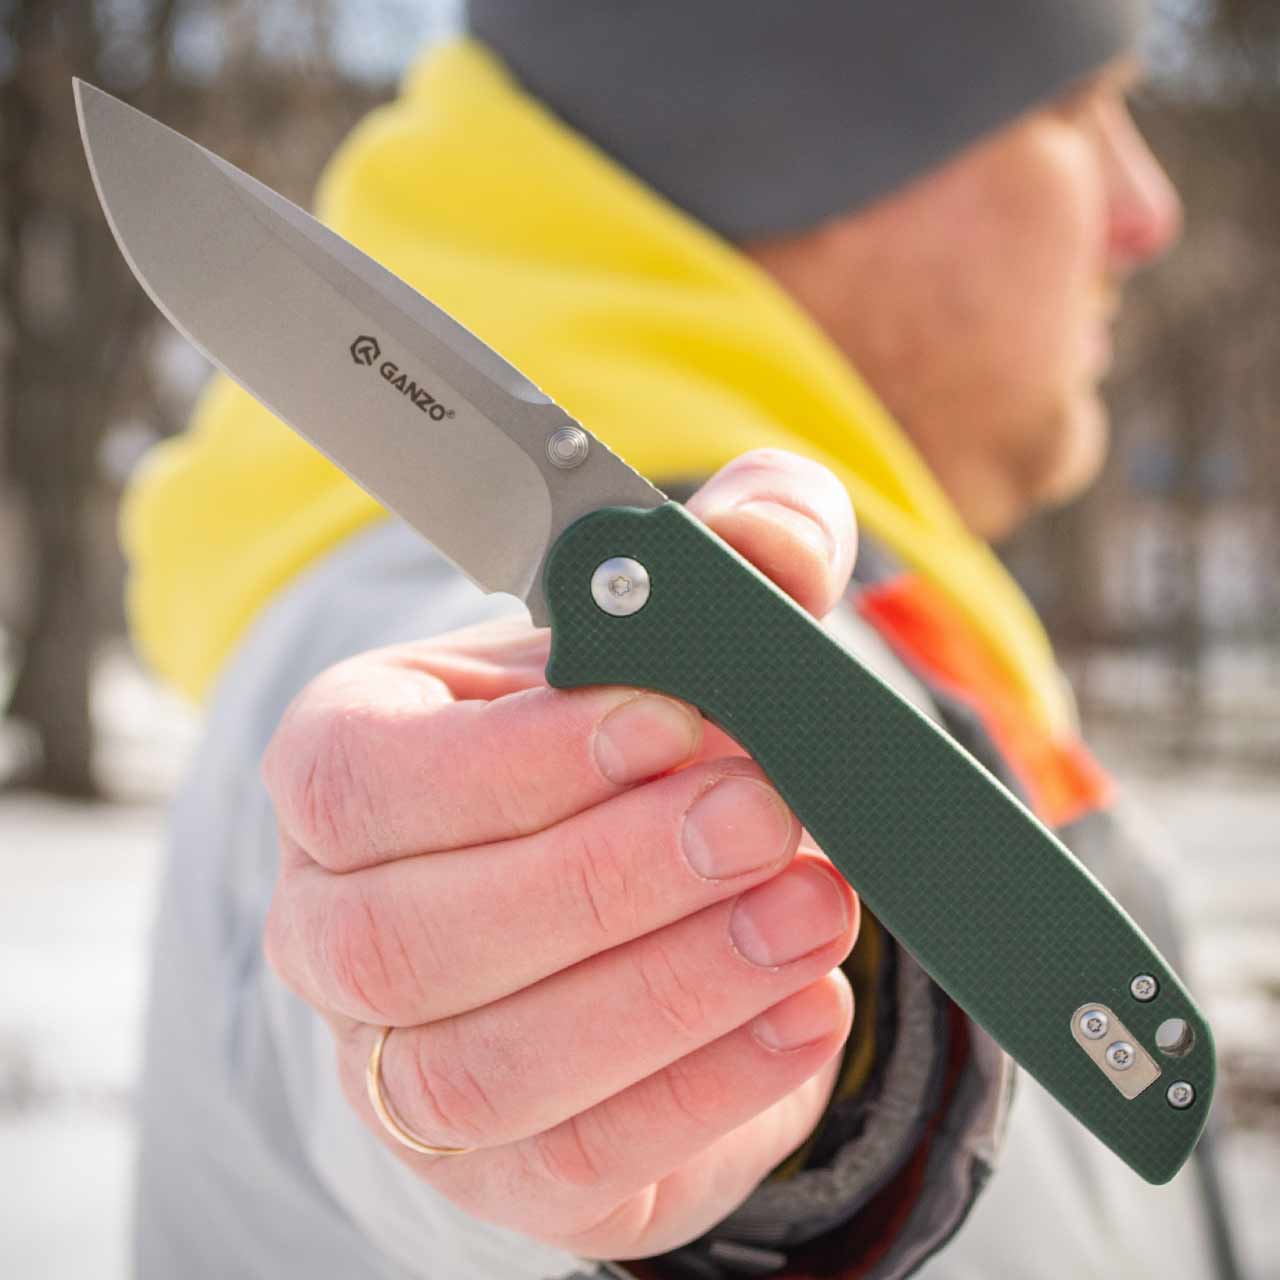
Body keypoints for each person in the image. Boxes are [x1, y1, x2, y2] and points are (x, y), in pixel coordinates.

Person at [121, 2, 1246, 1277]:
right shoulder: (431, 606)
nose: (1147, 210)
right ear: (818, 145)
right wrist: (635, 1066)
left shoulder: (883, 595)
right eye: (1071, 108)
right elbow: (394, 836)